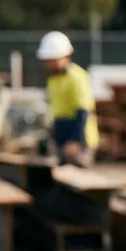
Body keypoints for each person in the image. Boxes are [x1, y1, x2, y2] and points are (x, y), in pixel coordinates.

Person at [38, 31, 98, 167]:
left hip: (80, 138)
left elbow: (83, 110)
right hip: (62, 136)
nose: (49, 64)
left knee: (78, 180)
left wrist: (76, 140)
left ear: (65, 56)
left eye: (52, 59)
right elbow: (57, 111)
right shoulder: (53, 80)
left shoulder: (77, 77)